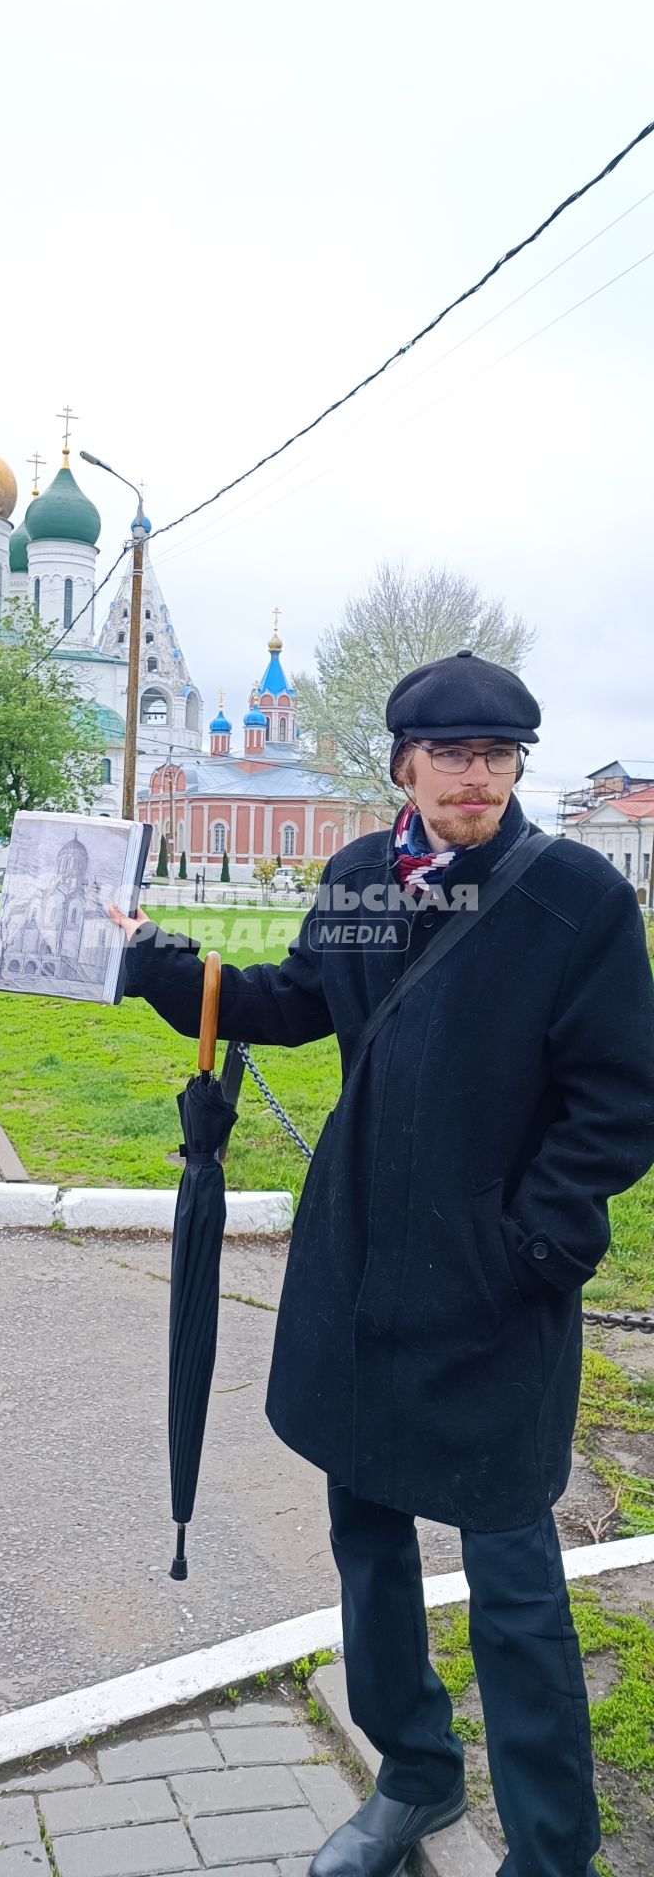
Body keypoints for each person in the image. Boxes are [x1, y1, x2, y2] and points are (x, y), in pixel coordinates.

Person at [109, 649, 654, 1877]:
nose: (479, 776)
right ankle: (413, 1774)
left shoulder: (577, 899)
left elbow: (618, 1105)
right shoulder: (361, 877)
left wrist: (535, 1241)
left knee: (515, 1583)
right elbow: (297, 997)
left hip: (496, 1294)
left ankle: (553, 1853)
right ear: (403, 764)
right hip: (359, 1270)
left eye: (500, 754)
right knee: (368, 1540)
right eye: (453, 754)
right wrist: (155, 958)